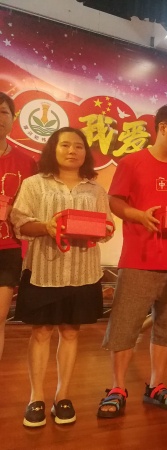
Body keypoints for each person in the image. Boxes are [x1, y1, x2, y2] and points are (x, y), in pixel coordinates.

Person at [98, 105, 167, 418]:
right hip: (138, 258)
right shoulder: (132, 162)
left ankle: (156, 385)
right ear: (162, 128)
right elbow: (115, 201)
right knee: (125, 324)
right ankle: (117, 387)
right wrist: (139, 216)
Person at [11, 127, 113, 427]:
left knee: (70, 333)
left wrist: (105, 230)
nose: (72, 151)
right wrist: (47, 227)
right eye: (65, 145)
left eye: (78, 146)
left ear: (86, 153)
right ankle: (36, 398)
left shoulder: (96, 190)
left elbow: (107, 227)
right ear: (53, 149)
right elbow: (20, 223)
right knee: (41, 333)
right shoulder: (34, 184)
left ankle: (63, 396)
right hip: (45, 271)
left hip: (83, 272)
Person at [0, 92, 36, 361]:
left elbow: (34, 207)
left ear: (13, 119)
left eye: (3, 112)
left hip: (8, 249)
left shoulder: (27, 163)